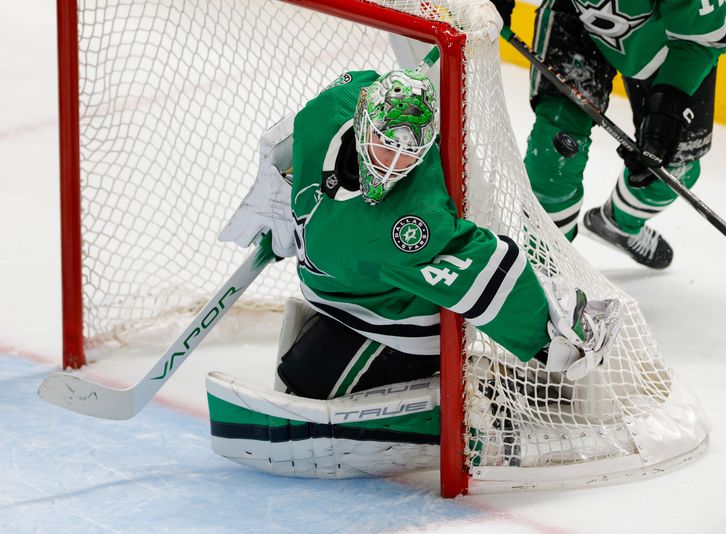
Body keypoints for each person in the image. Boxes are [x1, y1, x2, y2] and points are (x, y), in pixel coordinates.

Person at [211, 67, 621, 477]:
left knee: (302, 381)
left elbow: (481, 269)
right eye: (385, 145)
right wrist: (278, 187)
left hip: (394, 323)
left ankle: (478, 413)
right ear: (361, 119)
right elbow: (389, 78)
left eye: (408, 155)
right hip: (345, 299)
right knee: (297, 369)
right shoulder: (329, 110)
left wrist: (549, 336)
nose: (392, 165)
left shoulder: (408, 226)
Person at [491, 0, 726, 268]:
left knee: (673, 166)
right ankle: (544, 267)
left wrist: (667, 111)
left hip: (667, 47)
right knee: (556, 148)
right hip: (577, 18)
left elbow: (700, 38)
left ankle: (620, 223)